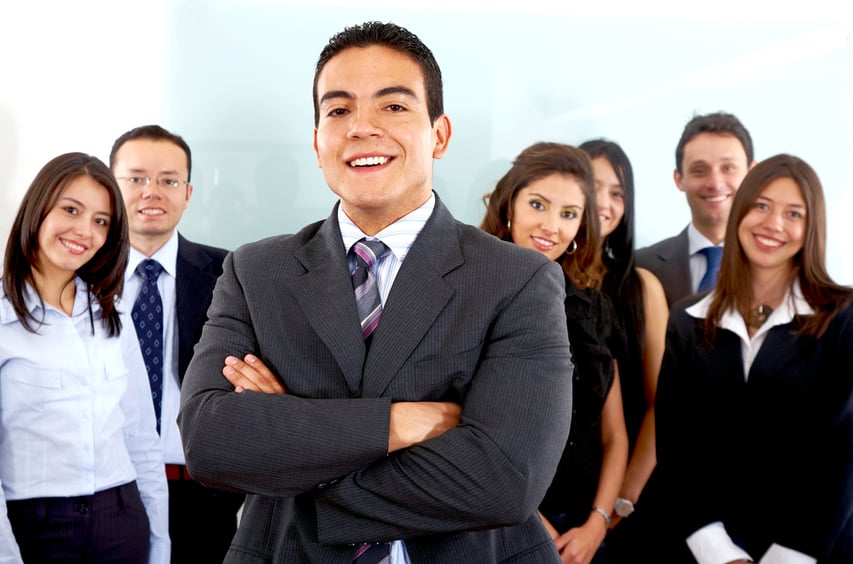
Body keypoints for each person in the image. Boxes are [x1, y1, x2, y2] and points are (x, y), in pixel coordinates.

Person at [178, 21, 574, 563]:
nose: (362, 127)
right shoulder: (257, 271)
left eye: (393, 106)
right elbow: (210, 442)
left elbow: (505, 477)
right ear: (317, 142)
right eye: (338, 111)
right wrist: (400, 423)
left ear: (439, 134)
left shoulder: (516, 278)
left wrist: (295, 451)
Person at [655, 154, 853, 563]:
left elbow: (844, 456)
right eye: (761, 205)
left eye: (793, 213)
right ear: (740, 211)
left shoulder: (843, 319)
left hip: (815, 550)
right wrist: (721, 554)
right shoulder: (688, 321)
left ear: (811, 226)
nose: (773, 224)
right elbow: (678, 452)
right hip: (709, 550)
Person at [0, 152, 169, 563]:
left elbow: (143, 442)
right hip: (33, 525)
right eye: (71, 210)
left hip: (121, 517)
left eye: (100, 221)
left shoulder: (113, 315)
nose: (84, 231)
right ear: (38, 209)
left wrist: (160, 545)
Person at [480, 141, 629, 564]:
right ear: (510, 205)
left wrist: (598, 522)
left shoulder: (596, 308)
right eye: (538, 205)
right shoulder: (472, 296)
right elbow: (468, 428)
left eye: (568, 214)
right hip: (501, 526)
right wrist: (532, 524)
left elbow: (614, 434)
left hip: (586, 533)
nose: (551, 226)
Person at [110, 125, 244, 563]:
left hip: (201, 492)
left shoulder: (232, 274)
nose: (153, 191)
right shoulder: (78, 278)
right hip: (105, 488)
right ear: (110, 188)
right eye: (136, 178)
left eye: (169, 180)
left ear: (188, 193)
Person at [578, 139, 669, 561]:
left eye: (617, 193)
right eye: (594, 187)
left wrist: (619, 502)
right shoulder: (536, 277)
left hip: (620, 503)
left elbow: (662, 404)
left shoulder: (641, 288)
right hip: (537, 496)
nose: (605, 202)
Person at [636, 112, 756, 307]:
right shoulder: (640, 267)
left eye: (728, 168)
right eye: (699, 170)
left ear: (751, 173)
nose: (715, 184)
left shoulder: (779, 268)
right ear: (679, 179)